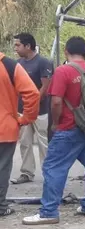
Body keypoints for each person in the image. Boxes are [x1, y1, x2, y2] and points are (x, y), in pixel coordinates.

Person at [22, 37, 85, 225]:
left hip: (69, 128)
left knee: (53, 167)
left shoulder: (63, 71)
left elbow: (57, 101)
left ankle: (49, 212)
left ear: (67, 51)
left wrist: (56, 124)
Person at [0, 52, 40, 217]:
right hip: (4, 128)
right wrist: (26, 118)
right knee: (2, 167)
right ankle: (1, 207)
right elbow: (32, 93)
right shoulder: (9, 65)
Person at [11, 33, 53, 185]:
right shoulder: (18, 64)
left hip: (41, 111)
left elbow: (46, 87)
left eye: (17, 45)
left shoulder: (43, 62)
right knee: (25, 142)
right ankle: (27, 173)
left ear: (27, 46)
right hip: (23, 111)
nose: (15, 48)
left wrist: (33, 104)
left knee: (43, 143)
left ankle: (49, 173)